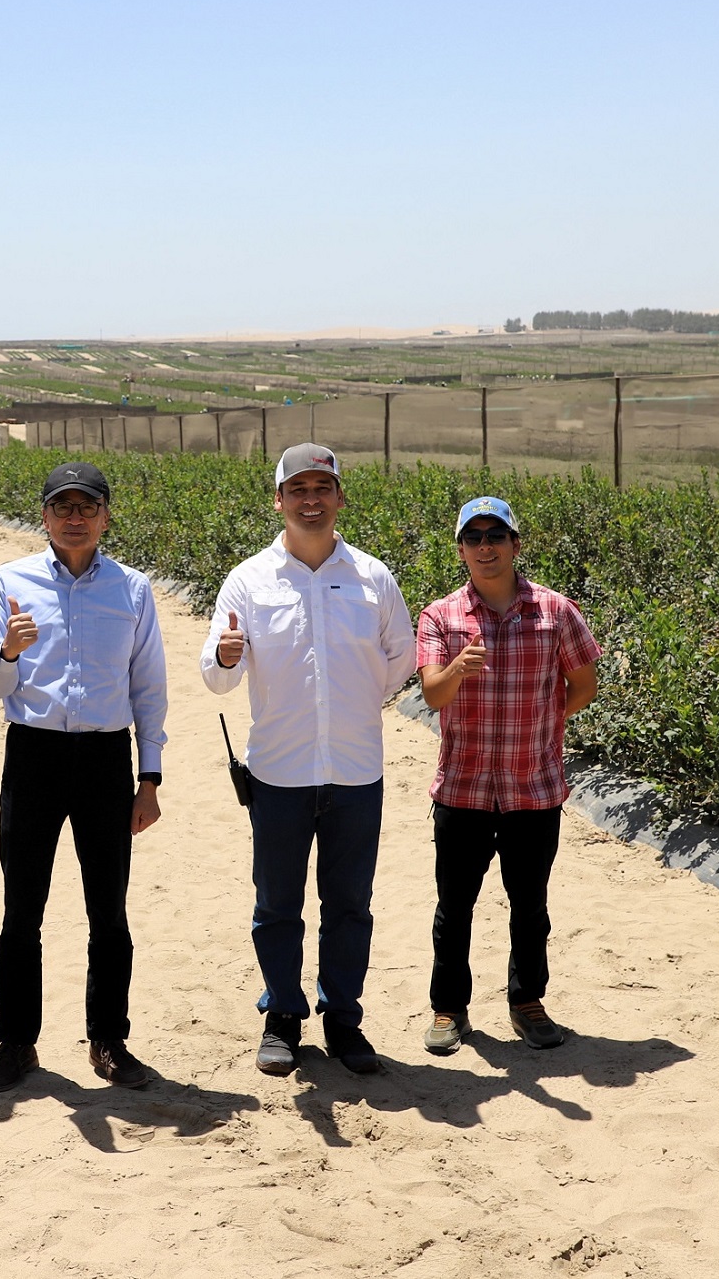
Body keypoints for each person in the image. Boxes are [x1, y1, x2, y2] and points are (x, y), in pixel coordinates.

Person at [200, 443, 415, 1076]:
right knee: (277, 905)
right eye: (299, 490)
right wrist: (228, 658)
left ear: (340, 498)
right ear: (279, 501)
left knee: (349, 904)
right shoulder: (248, 580)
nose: (311, 500)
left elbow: (400, 657)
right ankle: (284, 1016)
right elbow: (213, 677)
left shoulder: (373, 577)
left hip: (355, 770)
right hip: (279, 773)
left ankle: (344, 1018)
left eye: (323, 487)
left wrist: (356, 700)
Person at [0, 461, 168, 1093]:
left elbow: (148, 689)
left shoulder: (133, 590)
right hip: (33, 755)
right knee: (22, 909)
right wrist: (9, 651)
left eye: (88, 506)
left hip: (106, 760)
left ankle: (109, 1041)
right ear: (45, 516)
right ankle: (15, 1045)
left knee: (107, 910)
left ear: (107, 515)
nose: (75, 517)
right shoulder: (11, 582)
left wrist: (150, 777)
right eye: (63, 507)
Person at [415, 496, 600, 1054]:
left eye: (497, 535)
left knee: (530, 903)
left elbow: (584, 687)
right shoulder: (440, 617)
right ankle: (449, 1010)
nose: (486, 546)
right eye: (474, 538)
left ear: (516, 545)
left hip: (533, 789)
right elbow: (431, 693)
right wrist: (456, 669)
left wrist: (544, 722)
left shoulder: (556, 612)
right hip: (463, 789)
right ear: (461, 550)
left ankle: (527, 1002)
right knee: (455, 906)